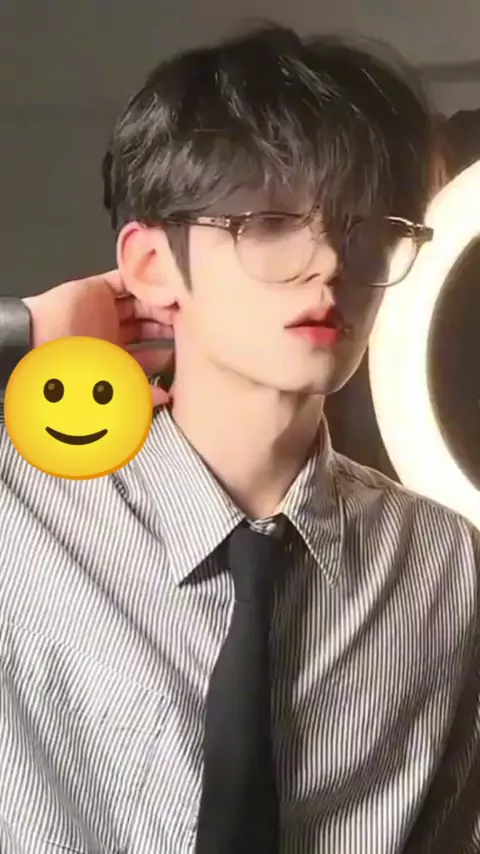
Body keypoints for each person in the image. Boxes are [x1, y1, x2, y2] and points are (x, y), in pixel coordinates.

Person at [1, 23, 479, 854]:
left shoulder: (445, 566)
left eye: (370, 227)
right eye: (270, 222)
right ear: (152, 265)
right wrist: (25, 332)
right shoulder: (22, 510)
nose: (330, 263)